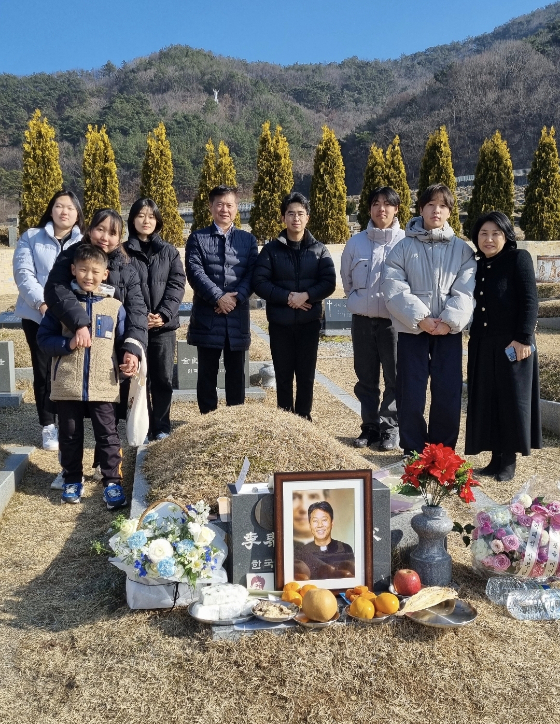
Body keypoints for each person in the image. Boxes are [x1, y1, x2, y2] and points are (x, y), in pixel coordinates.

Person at [44, 209, 148, 488]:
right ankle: (70, 474)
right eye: (100, 229)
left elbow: (136, 311)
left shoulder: (127, 265)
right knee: (71, 426)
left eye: (113, 232)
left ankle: (109, 471)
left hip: (106, 361)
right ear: (90, 229)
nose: (105, 237)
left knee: (107, 422)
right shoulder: (72, 256)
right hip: (74, 360)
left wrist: (132, 349)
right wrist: (79, 324)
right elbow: (55, 292)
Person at [381, 184, 476, 457]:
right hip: (413, 330)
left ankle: (443, 450)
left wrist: (448, 321)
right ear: (420, 208)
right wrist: (421, 318)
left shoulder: (462, 250)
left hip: (449, 332)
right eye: (431, 204)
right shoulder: (402, 248)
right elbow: (393, 286)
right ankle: (413, 447)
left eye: (443, 206)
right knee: (410, 391)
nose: (436, 210)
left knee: (447, 392)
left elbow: (465, 289)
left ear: (449, 211)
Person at [37, 245, 132, 509]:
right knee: (69, 434)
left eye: (95, 271)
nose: (88, 276)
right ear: (73, 270)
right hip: (68, 383)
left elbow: (123, 341)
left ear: (105, 274)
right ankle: (72, 479)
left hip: (104, 383)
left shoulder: (115, 307)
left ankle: (112, 481)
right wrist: (67, 345)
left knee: (108, 434)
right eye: (82, 270)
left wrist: (128, 359)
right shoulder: (62, 306)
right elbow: (43, 340)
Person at [465, 211, 541, 481]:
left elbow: (530, 301)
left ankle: (508, 461)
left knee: (510, 402)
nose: (489, 239)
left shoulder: (518, 259)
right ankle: (494, 458)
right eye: (483, 233)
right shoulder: (478, 264)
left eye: (495, 233)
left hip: (513, 344)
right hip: (483, 344)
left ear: (506, 235)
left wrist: (523, 338)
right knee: (489, 399)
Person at [252, 192, 336, 420]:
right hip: (280, 322)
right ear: (283, 218)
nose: (295, 218)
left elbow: (328, 282)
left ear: (307, 217)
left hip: (309, 323)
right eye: (290, 214)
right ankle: (285, 417)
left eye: (300, 213)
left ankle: (304, 416)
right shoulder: (271, 250)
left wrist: (306, 295)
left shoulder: (319, 250)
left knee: (306, 374)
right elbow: (259, 282)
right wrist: (289, 297)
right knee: (283, 373)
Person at [13, 190, 85, 451]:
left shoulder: (84, 241)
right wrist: (43, 305)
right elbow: (24, 275)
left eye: (70, 207)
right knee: (43, 370)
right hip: (38, 315)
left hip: (74, 316)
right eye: (58, 206)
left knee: (71, 369)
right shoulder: (31, 237)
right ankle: (48, 425)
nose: (63, 212)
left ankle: (71, 421)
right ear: (51, 209)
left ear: (78, 214)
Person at [341, 187, 404, 451]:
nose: (382, 209)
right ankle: (370, 428)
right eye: (376, 204)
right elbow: (347, 280)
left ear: (396, 209)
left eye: (388, 204)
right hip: (363, 322)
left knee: (395, 378)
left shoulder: (405, 242)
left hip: (394, 322)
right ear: (369, 209)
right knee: (365, 378)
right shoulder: (356, 243)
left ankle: (390, 429)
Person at [186, 185, 258, 414]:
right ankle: (208, 420)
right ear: (210, 207)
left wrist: (235, 299)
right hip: (208, 317)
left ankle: (234, 421)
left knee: (236, 373)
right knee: (207, 374)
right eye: (219, 204)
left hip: (237, 317)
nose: (224, 209)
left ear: (237, 208)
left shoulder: (248, 240)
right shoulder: (198, 238)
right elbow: (194, 272)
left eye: (229, 205)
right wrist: (218, 297)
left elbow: (253, 274)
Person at [124, 198, 186, 441]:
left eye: (151, 216)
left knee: (162, 378)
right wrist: (139, 318)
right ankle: (143, 426)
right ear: (132, 219)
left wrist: (163, 315)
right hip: (134, 327)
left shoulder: (168, 251)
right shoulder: (122, 252)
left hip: (163, 328)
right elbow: (121, 288)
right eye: (141, 215)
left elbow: (177, 284)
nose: (146, 220)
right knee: (139, 379)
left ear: (157, 220)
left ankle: (161, 427)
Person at [296, 501, 355, 580]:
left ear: (332, 523)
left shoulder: (345, 548)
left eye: (324, 520)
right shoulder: (303, 552)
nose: (320, 525)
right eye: (315, 521)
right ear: (310, 525)